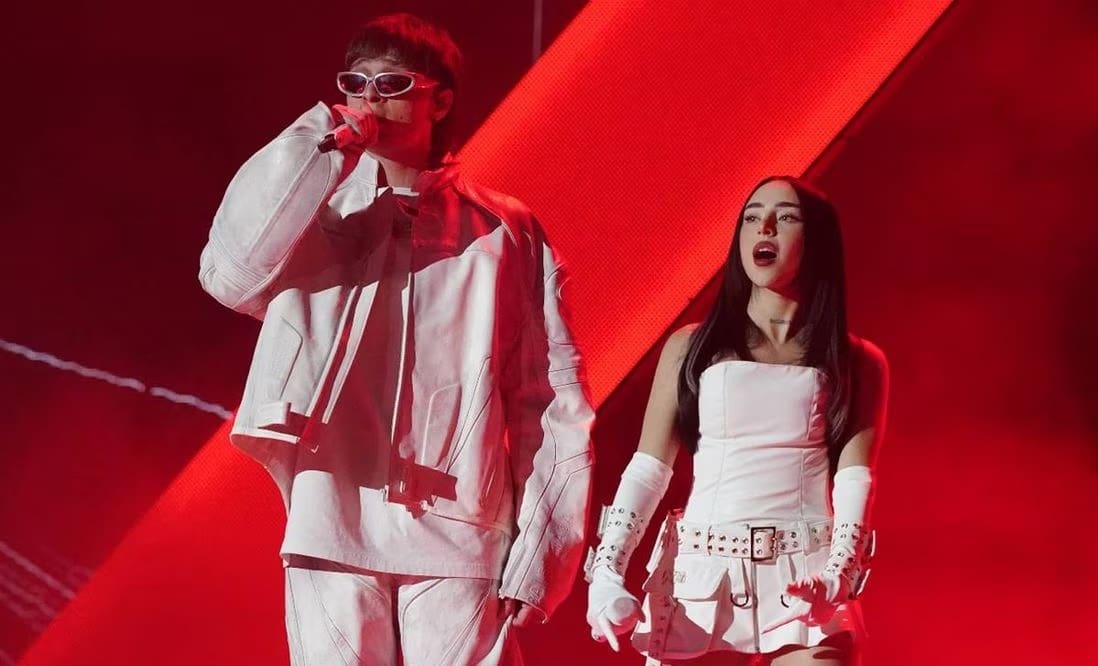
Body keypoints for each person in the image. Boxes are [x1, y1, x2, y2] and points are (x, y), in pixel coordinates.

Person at [199, 13, 594, 665]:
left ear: (440, 100)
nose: (369, 98)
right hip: (333, 513)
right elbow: (228, 275)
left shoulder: (506, 231)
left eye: (392, 83)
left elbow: (550, 400)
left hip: (462, 529)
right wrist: (319, 145)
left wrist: (542, 552)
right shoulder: (315, 211)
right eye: (354, 83)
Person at [585, 176, 889, 665]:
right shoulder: (691, 346)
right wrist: (606, 573)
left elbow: (856, 480)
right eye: (751, 217)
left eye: (785, 217)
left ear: (816, 240)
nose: (764, 227)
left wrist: (838, 576)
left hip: (806, 575)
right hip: (704, 578)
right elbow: (648, 469)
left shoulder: (857, 361)